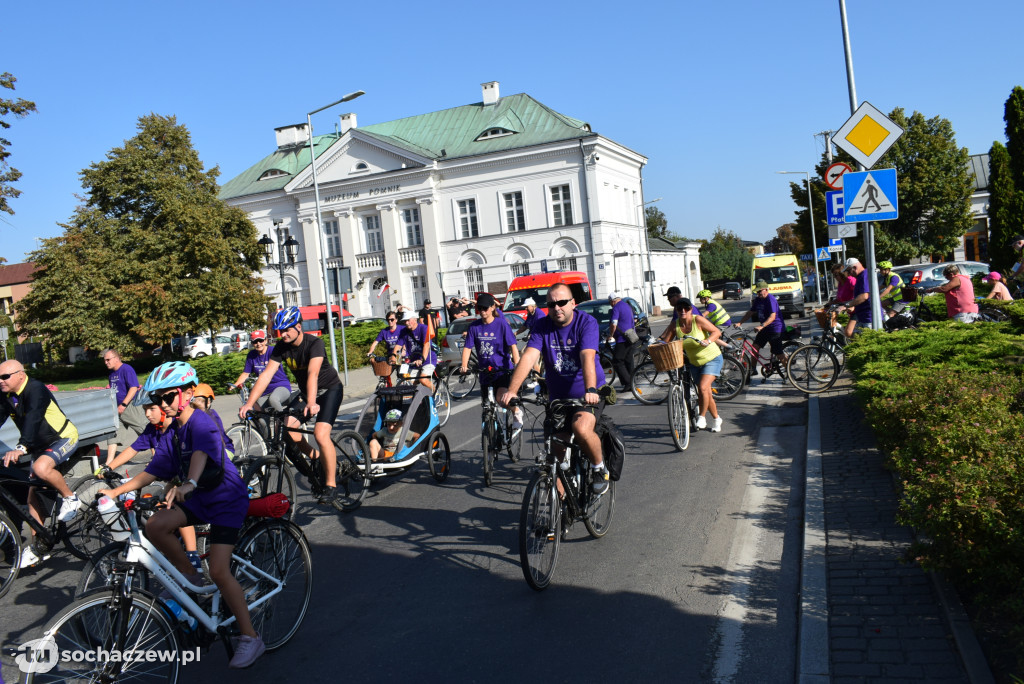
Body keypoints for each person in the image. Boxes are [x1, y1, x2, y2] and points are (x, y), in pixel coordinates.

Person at [100, 361, 264, 668]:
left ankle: (250, 637)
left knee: (218, 570)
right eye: (158, 399)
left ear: (188, 392)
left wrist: (188, 483)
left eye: (167, 397)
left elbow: (201, 453)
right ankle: (189, 576)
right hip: (202, 498)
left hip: (226, 499)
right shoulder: (173, 431)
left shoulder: (201, 422)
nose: (162, 405)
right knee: (157, 525)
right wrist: (115, 492)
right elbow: (153, 471)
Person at [501, 282, 609, 495]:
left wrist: (591, 390)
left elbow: (587, 357)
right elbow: (529, 356)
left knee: (580, 428)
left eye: (561, 302)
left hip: (588, 394)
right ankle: (558, 510)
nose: (557, 308)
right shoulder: (542, 326)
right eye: (551, 304)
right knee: (555, 451)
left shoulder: (586, 322)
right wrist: (513, 390)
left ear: (573, 303)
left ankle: (599, 467)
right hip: (558, 397)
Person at [239, 306, 345, 505]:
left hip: (329, 390)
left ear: (298, 326)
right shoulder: (281, 347)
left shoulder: (315, 343)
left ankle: (331, 486)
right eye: (280, 331)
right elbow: (266, 375)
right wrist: (249, 403)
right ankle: (316, 457)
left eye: (287, 329)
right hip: (307, 393)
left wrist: (312, 402)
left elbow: (313, 374)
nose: (283, 334)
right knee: (287, 430)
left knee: (321, 434)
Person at [102, 391, 204, 576]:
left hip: (185, 478)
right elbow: (132, 449)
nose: (147, 414)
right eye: (145, 410)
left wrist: (116, 491)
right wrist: (108, 467)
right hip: (169, 474)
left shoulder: (175, 427)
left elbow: (154, 471)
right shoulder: (153, 428)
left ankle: (192, 554)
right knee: (158, 505)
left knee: (175, 502)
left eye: (151, 409)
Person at [0, 359, 82, 568]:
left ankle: (71, 498)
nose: (0, 381)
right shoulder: (6, 395)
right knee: (32, 498)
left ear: (20, 374)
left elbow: (33, 418)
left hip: (62, 438)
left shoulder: (36, 389)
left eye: (4, 377)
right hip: (40, 447)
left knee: (40, 468)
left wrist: (21, 447)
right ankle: (40, 545)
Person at [460, 292, 524, 432]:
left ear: (492, 307)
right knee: (486, 407)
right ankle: (491, 438)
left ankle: (516, 411)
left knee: (501, 399)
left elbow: (513, 346)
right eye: (479, 308)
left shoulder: (501, 324)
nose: (482, 311)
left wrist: (518, 365)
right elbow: (467, 348)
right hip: (484, 371)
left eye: (485, 308)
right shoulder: (474, 327)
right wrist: (464, 365)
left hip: (501, 369)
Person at [663, 297, 723, 432]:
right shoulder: (675, 324)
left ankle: (701, 417)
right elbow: (665, 341)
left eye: (686, 308)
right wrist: (655, 345)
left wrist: (708, 340)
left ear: (691, 309)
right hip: (695, 363)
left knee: (702, 388)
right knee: (705, 391)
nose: (683, 311)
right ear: (676, 310)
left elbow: (716, 332)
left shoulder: (698, 320)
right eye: (679, 308)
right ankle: (716, 419)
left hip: (712, 358)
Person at [103, 349, 147, 465]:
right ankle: (109, 462)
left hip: (130, 406)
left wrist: (123, 404)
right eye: (105, 360)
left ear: (116, 358)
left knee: (144, 430)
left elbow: (134, 387)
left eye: (108, 360)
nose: (106, 362)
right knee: (113, 433)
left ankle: (158, 456)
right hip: (117, 408)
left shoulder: (126, 369)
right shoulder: (112, 373)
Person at [230, 330, 292, 410]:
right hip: (264, 389)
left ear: (266, 340)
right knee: (256, 409)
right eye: (255, 342)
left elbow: (274, 368)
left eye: (261, 340)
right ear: (252, 343)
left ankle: (285, 421)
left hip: (280, 385)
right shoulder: (251, 355)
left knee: (273, 400)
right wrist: (234, 385)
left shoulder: (273, 351)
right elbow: (246, 374)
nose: (258, 344)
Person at [733, 280, 787, 367]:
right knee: (755, 347)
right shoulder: (758, 299)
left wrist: (761, 326)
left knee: (778, 352)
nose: (758, 293)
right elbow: (750, 312)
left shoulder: (770, 299)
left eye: (760, 291)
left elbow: (772, 317)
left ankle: (789, 374)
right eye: (757, 291)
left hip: (775, 329)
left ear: (766, 289)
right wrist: (740, 323)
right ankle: (753, 369)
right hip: (765, 329)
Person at [392, 310, 437, 390]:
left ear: (415, 319)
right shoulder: (404, 331)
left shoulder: (423, 328)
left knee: (423, 379)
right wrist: (396, 359)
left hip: (428, 359)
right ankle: (418, 401)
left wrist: (421, 359)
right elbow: (398, 346)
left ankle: (436, 395)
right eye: (405, 321)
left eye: (408, 320)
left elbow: (426, 345)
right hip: (414, 361)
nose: (406, 323)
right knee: (409, 383)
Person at [606, 292, 638, 391]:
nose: (610, 304)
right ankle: (632, 382)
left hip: (622, 338)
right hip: (631, 336)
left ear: (612, 301)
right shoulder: (627, 305)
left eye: (610, 302)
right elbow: (635, 319)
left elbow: (614, 323)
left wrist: (611, 335)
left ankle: (628, 383)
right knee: (629, 360)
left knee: (617, 361)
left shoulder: (616, 308)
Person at [841, 258, 872, 336]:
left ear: (854, 267)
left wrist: (848, 305)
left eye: (848, 271)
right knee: (855, 338)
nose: (848, 274)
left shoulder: (864, 276)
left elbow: (864, 296)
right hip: (862, 316)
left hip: (868, 317)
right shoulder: (860, 277)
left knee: (865, 342)